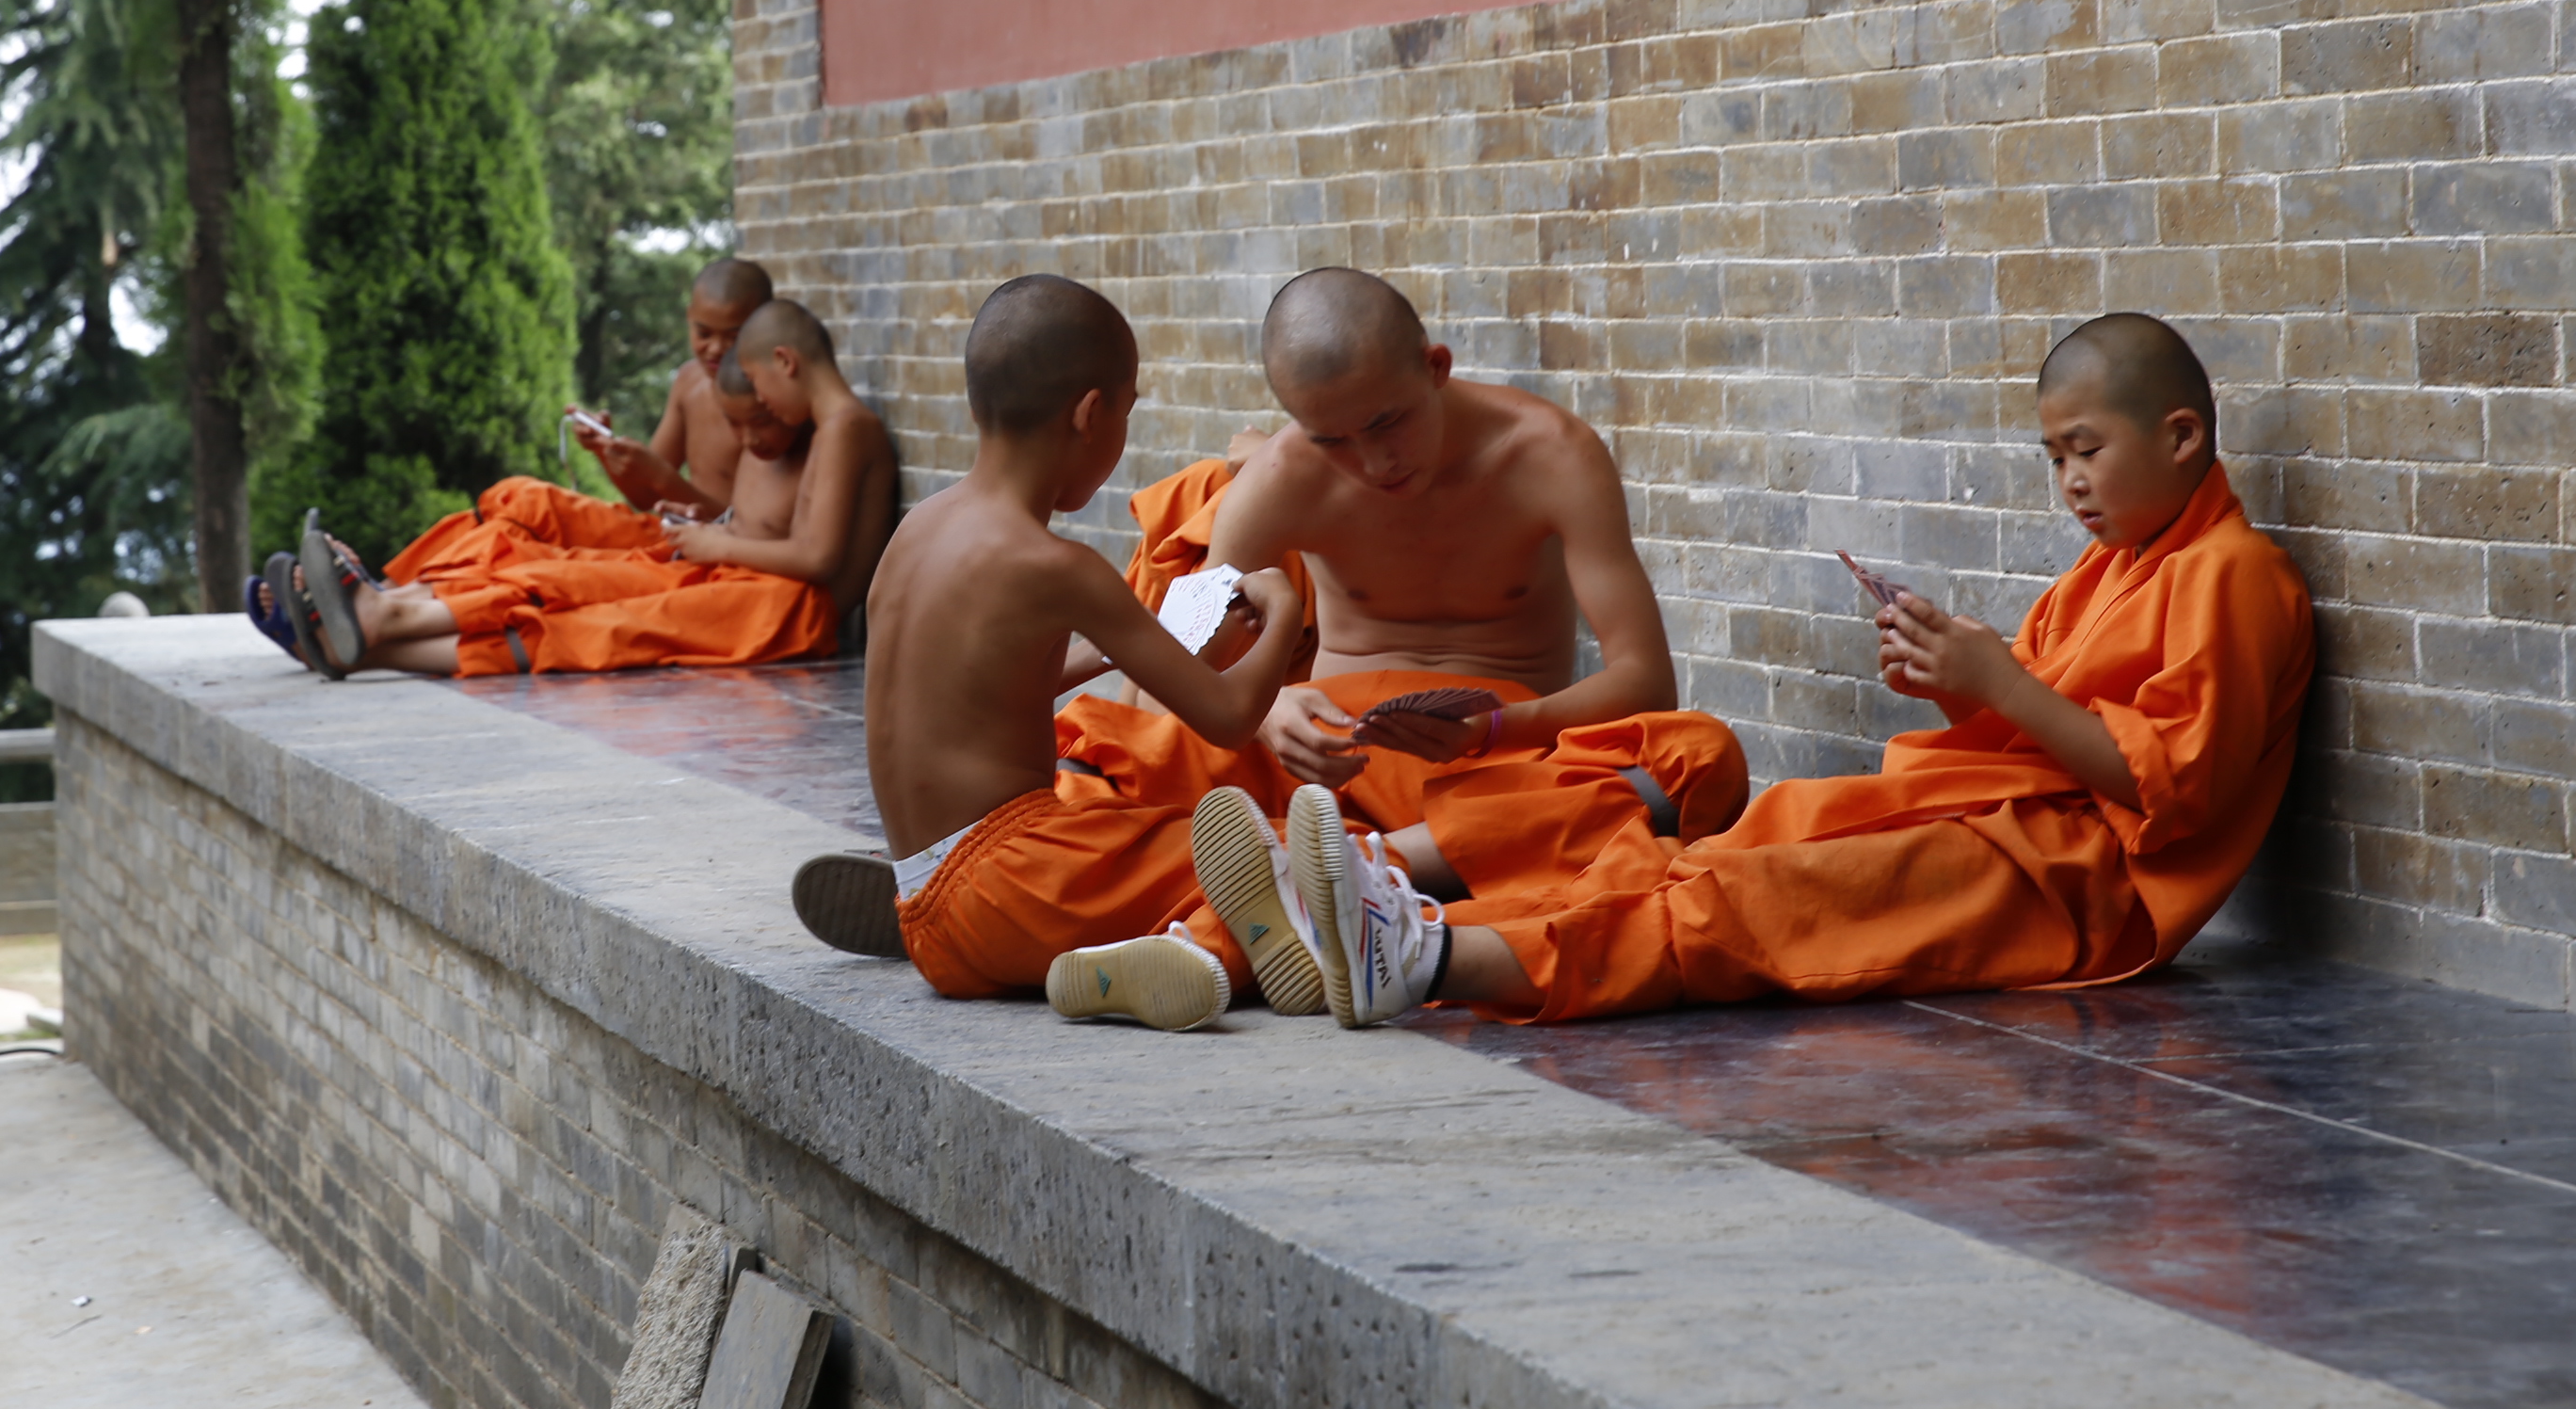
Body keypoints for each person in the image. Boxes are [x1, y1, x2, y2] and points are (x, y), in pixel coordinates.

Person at [1283, 312, 2318, 1028]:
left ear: (2181, 437)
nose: (2070, 483)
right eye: (2053, 459)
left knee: (1766, 902)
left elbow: (2174, 790)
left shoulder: (2233, 574)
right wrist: (1955, 677)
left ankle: (1425, 960)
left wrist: (1997, 682)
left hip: (2077, 885)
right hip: (2000, 820)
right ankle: (1378, 923)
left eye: (2084, 450)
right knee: (1739, 847)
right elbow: (2037, 719)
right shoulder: (2110, 570)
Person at [1039, 267, 1708, 1016]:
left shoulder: (1552, 455)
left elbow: (1647, 682)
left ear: (1436, 367)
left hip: (1484, 761)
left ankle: (1256, 915)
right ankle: (1349, 896)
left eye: (1388, 424)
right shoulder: (1278, 480)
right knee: (1095, 757)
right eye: (1334, 441)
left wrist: (1493, 726)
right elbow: (1181, 666)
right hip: (1317, 749)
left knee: (1688, 766)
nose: (1372, 463)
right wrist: (1263, 714)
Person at [792, 274, 1307, 1033]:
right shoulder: (1054, 565)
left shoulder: (917, 532)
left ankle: (1085, 952)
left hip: (927, 916)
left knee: (1161, 831)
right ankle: (1164, 954)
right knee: (1275, 854)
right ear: (1092, 415)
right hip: (1016, 876)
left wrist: (1109, 651)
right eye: (1126, 415)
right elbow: (1229, 717)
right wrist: (1286, 613)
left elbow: (986, 685)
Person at [280, 299, 890, 679]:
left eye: (755, 386)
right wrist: (709, 532)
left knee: (591, 628)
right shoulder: (824, 426)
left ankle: (371, 627)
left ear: (785, 361)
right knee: (557, 583)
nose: (756, 404)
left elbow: (817, 558)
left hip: (785, 611)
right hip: (739, 577)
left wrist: (716, 545)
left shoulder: (847, 429)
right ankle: (375, 620)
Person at [572, 257, 775, 517]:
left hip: (730, 552)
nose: (714, 349)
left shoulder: (772, 403)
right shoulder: (689, 381)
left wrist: (665, 479)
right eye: (703, 334)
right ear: (690, 317)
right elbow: (647, 498)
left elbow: (758, 532)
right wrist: (605, 449)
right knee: (524, 497)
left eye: (733, 338)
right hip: (679, 537)